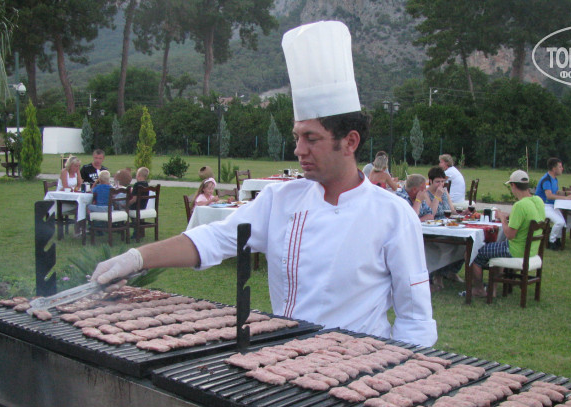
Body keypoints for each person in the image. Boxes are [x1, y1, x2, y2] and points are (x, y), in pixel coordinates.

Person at [90, 21, 437, 347]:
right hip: (285, 355)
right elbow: (213, 239)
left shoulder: (393, 215)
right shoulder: (280, 199)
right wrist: (138, 257)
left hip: (360, 363)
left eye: (311, 138)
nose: (298, 149)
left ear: (350, 142)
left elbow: (415, 319)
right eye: (297, 136)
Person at [467, 170, 545, 297]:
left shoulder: (520, 205)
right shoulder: (538, 201)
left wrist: (503, 218)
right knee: (495, 246)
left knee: (474, 252)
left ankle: (479, 288)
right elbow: (527, 218)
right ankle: (493, 288)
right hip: (532, 250)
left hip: (515, 250)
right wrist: (509, 216)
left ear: (513, 185)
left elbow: (509, 235)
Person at [426, 166, 463, 290]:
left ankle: (451, 271)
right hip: (433, 229)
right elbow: (431, 214)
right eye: (437, 181)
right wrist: (437, 196)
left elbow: (451, 210)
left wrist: (463, 213)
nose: (441, 184)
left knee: (464, 243)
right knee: (447, 245)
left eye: (442, 181)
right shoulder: (426, 194)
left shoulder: (445, 192)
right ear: (430, 181)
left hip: (448, 227)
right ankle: (438, 275)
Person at [534, 157, 571, 251]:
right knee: (560, 222)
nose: (562, 168)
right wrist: (566, 198)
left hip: (552, 206)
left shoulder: (554, 179)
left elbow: (555, 192)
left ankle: (557, 238)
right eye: (560, 167)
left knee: (569, 221)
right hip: (543, 206)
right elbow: (549, 196)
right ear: (553, 169)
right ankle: (551, 241)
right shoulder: (546, 180)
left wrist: (567, 193)